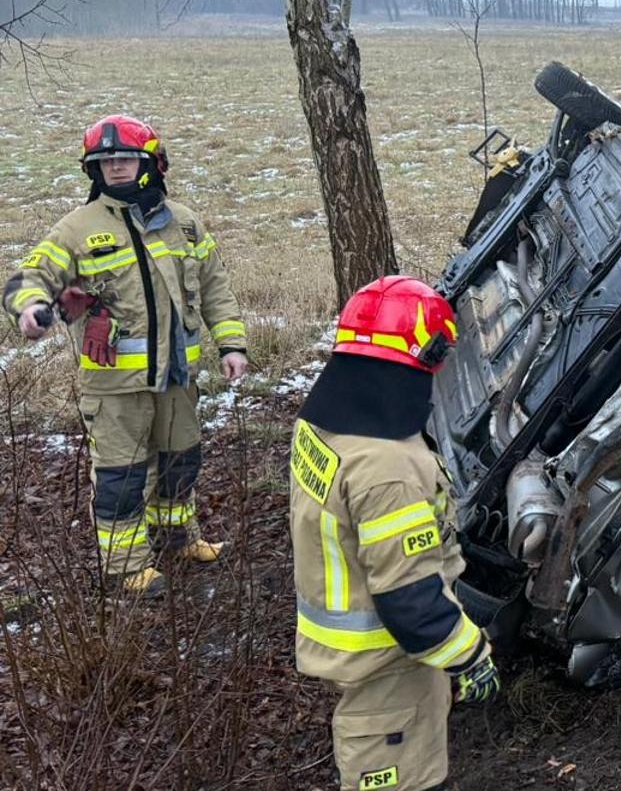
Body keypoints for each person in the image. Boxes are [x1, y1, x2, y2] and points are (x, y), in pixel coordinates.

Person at [3, 114, 247, 598]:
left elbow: (216, 287)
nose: (115, 167)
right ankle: (125, 568)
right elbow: (30, 277)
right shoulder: (77, 229)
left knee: (180, 461)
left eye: (125, 158)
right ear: (93, 170)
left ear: (151, 163)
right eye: (105, 161)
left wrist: (232, 344)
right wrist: (30, 308)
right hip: (115, 386)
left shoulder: (185, 224)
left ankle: (177, 541)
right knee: (122, 476)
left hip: (177, 377)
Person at [290, 276, 500, 791]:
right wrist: (470, 656)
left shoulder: (322, 423)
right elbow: (409, 599)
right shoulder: (389, 469)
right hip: (387, 662)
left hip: (350, 644)